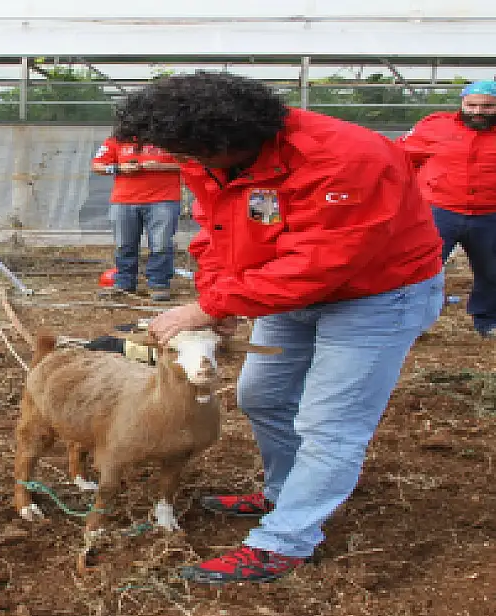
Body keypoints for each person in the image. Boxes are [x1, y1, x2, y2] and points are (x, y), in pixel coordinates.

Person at [114, 72, 445, 584]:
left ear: (230, 141)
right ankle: (284, 492)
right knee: (263, 396)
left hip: (377, 295)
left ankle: (285, 541)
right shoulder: (216, 158)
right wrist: (217, 296)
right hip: (284, 290)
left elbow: (321, 262)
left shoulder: (345, 160)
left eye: (193, 153)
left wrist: (210, 308)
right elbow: (219, 230)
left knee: (330, 424)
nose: (189, 163)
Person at [397, 80, 496, 339]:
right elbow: (401, 157)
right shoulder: (434, 127)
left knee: (491, 270)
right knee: (421, 268)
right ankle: (410, 323)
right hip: (439, 210)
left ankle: (487, 321)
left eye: (487, 106)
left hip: (490, 214)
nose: (478, 111)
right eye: (472, 105)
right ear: (462, 103)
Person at [91, 136, 182, 301]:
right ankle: (124, 284)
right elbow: (97, 166)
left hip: (164, 200)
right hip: (124, 201)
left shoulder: (172, 138)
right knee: (124, 245)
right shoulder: (116, 140)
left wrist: (162, 167)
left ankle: (158, 284)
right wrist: (119, 168)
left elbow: (191, 166)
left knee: (161, 244)